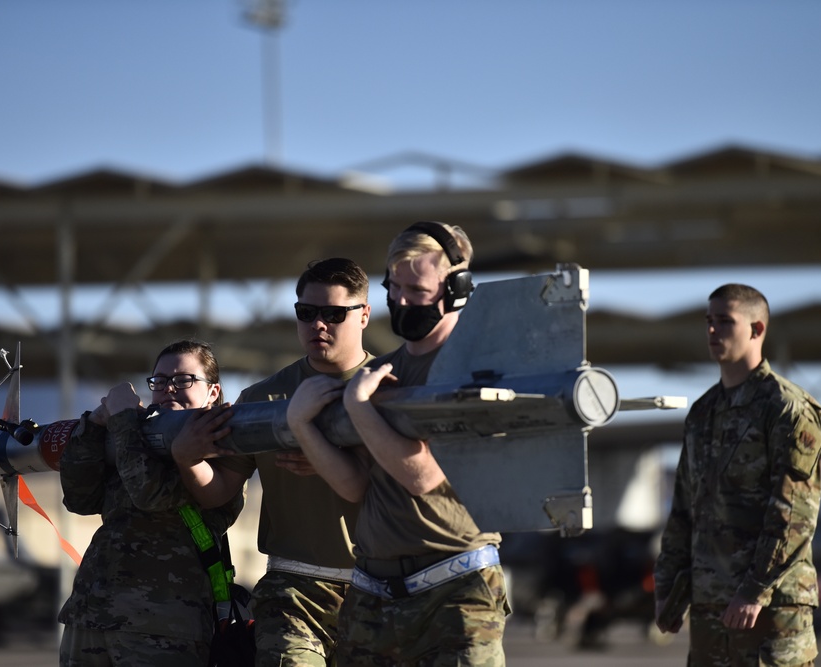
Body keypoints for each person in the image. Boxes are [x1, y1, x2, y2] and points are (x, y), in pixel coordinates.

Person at [287, 221, 509, 665]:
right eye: (395, 286)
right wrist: (301, 423)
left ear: (457, 289)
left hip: (454, 592)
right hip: (373, 592)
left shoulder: (472, 372)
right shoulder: (381, 372)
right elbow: (356, 488)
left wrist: (359, 406)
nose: (402, 301)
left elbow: (423, 476)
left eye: (417, 289)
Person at [171, 257, 374, 666]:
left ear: (364, 314)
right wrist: (186, 457)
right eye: (307, 313)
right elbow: (220, 491)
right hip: (293, 590)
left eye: (334, 314)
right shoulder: (262, 400)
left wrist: (334, 463)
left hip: (380, 589)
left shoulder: (389, 388)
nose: (319, 324)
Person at [653, 284, 821, 667]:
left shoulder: (786, 408)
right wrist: (667, 587)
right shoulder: (703, 412)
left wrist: (754, 590)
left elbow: (794, 514)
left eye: (725, 322)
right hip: (711, 604)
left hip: (771, 608)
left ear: (757, 329)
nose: (713, 332)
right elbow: (683, 507)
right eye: (709, 322)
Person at [58, 339, 244, 666]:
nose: (169, 389)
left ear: (213, 392)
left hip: (164, 626)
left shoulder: (221, 448)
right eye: (160, 381)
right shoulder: (138, 437)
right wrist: (95, 424)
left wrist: (124, 421)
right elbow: (80, 497)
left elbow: (151, 494)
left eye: (184, 380)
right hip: (91, 616)